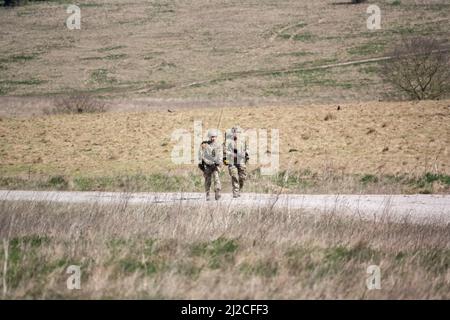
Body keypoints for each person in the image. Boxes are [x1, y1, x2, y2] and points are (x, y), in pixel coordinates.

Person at [224, 126, 249, 198]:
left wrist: (245, 154)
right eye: (233, 132)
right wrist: (232, 154)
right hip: (232, 161)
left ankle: (239, 189)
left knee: (242, 177)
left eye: (236, 132)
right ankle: (235, 192)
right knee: (234, 176)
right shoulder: (228, 141)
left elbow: (247, 148)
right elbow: (224, 150)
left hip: (241, 161)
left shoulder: (242, 140)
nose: (235, 134)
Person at [198, 129, 222, 201]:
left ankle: (217, 193)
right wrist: (204, 163)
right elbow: (201, 156)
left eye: (214, 137)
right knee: (208, 181)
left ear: (216, 137)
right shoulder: (205, 145)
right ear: (209, 137)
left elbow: (220, 155)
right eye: (211, 137)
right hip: (207, 165)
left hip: (215, 166)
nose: (213, 138)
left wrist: (218, 162)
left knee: (216, 179)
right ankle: (207, 194)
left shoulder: (218, 145)